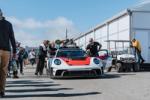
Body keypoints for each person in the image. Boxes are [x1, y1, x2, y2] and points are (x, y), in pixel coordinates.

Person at [0, 9, 16, 97]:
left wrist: (14, 51)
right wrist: (14, 50)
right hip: (6, 50)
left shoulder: (8, 24)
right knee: (3, 71)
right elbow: (12, 38)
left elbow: (12, 38)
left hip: (6, 50)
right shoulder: (8, 24)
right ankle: (2, 91)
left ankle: (2, 91)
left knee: (3, 71)